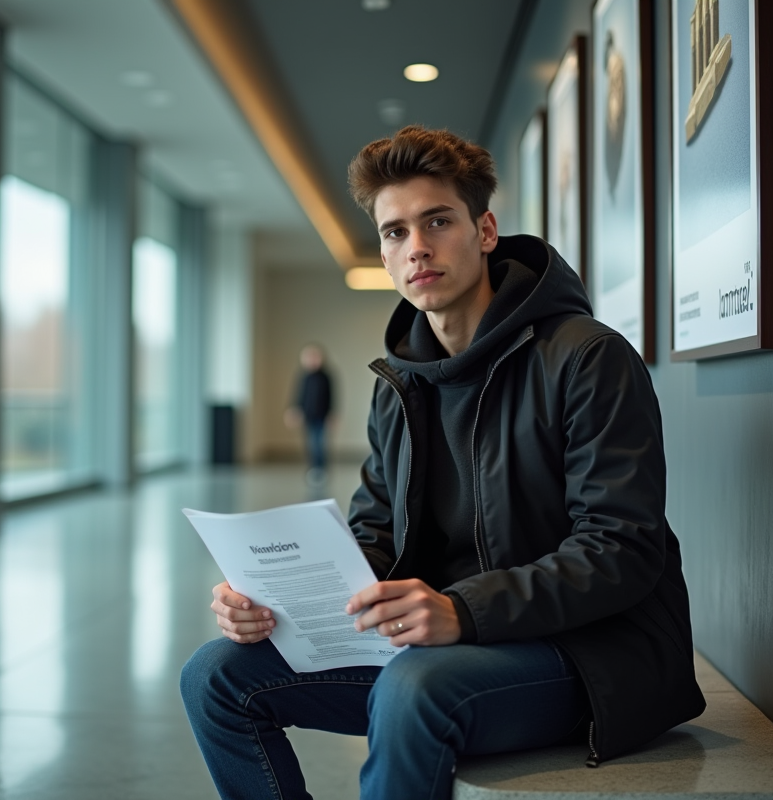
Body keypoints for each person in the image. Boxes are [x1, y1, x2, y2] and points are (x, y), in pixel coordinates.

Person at [180, 125, 705, 800]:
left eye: (437, 222)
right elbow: (373, 537)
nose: (417, 247)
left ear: (484, 230)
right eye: (395, 232)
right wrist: (272, 600)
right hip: (444, 646)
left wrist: (463, 609)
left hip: (592, 655)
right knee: (215, 673)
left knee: (414, 686)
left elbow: (622, 550)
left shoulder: (586, 358)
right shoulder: (398, 383)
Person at [284, 343, 335, 484]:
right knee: (310, 444)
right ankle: (313, 467)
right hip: (308, 416)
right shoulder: (304, 377)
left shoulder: (326, 377)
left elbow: (331, 397)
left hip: (322, 416)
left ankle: (321, 468)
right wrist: (294, 410)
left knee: (320, 443)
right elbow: (299, 395)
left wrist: (332, 414)